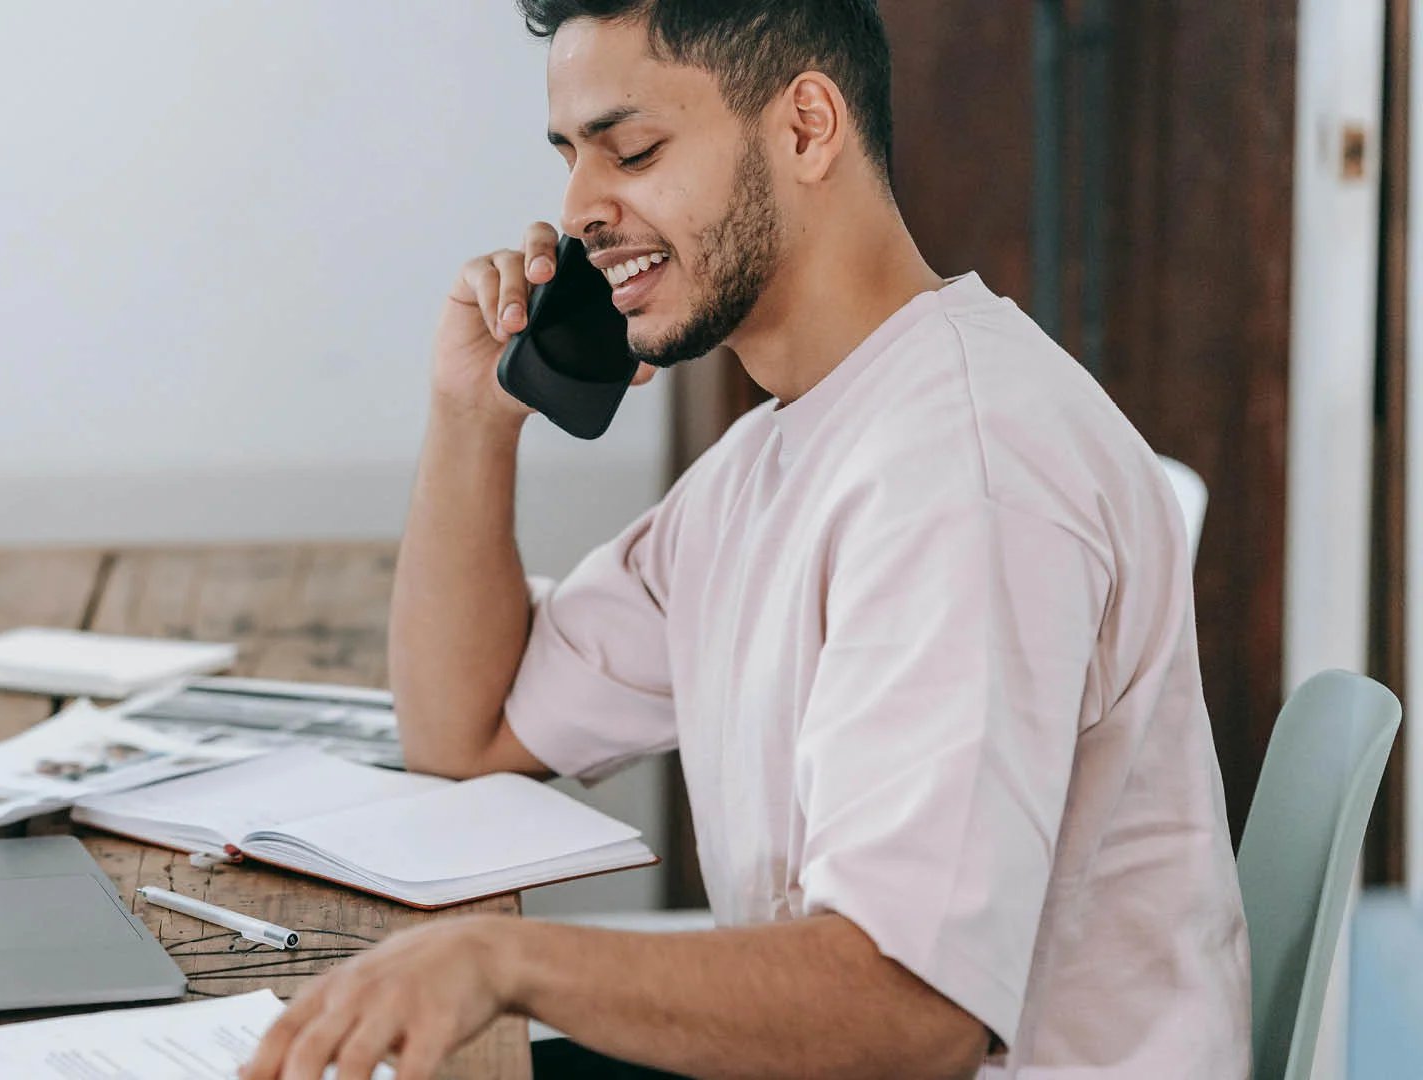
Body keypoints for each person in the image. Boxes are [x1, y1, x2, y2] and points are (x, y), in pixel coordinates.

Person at [242, 2, 1249, 1077]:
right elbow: (467, 733)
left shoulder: (965, 472)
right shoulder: (773, 456)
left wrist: (501, 959)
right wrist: (473, 417)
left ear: (807, 126)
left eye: (632, 150)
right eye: (572, 160)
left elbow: (913, 1010)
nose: (580, 209)